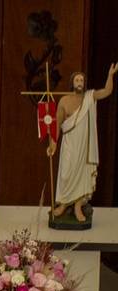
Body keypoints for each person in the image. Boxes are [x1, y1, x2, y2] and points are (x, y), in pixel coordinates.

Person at [47, 64, 117, 222]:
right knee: (66, 173)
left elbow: (107, 91)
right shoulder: (64, 100)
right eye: (77, 79)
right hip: (69, 144)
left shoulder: (89, 97)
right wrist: (54, 143)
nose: (79, 82)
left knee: (82, 175)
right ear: (72, 83)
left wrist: (110, 75)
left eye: (82, 80)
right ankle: (63, 204)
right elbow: (57, 124)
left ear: (84, 83)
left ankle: (78, 206)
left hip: (85, 146)